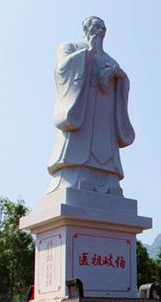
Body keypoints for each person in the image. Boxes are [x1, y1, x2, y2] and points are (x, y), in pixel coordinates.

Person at [47, 16, 135, 196]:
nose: (100, 31)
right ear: (86, 29)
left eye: (103, 28)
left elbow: (123, 79)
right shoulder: (70, 47)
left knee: (105, 144)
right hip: (83, 111)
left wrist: (118, 75)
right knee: (79, 145)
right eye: (96, 26)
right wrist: (89, 53)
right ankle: (75, 175)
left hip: (104, 116)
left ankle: (109, 180)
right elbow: (62, 69)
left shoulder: (110, 59)